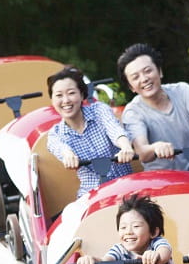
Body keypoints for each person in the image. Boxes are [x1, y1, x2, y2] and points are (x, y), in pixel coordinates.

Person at [116, 43, 189, 182]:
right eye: (135, 77)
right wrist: (155, 147)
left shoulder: (183, 90)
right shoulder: (133, 112)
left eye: (148, 71)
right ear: (131, 87)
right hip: (166, 185)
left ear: (160, 71)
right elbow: (142, 152)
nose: (144, 79)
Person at [46, 66, 135, 198]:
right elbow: (60, 147)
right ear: (52, 100)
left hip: (124, 187)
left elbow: (114, 129)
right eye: (59, 95)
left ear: (82, 95)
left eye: (71, 93)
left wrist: (125, 146)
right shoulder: (55, 134)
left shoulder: (99, 110)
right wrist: (68, 155)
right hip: (92, 195)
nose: (66, 100)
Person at [76, 193, 178, 264]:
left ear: (153, 232)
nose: (128, 232)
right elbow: (105, 263)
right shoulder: (120, 250)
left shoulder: (157, 243)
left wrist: (156, 256)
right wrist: (91, 261)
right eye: (123, 227)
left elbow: (164, 254)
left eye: (136, 226)